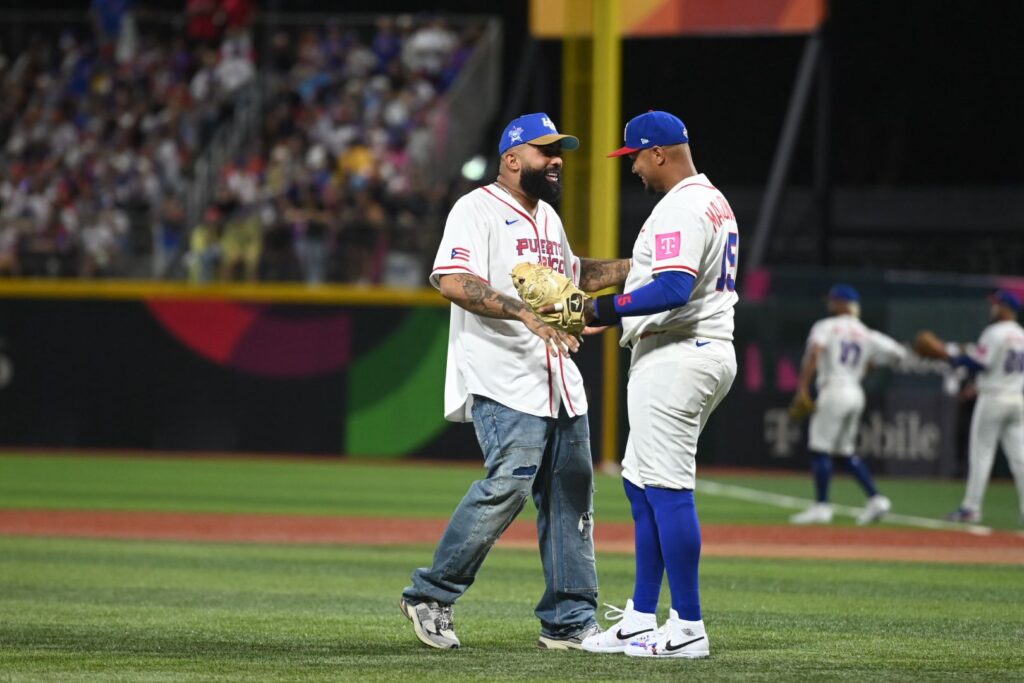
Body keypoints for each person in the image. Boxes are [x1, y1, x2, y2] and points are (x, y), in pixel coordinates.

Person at [399, 113, 631, 651]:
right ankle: (430, 595)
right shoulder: (476, 208)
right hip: (503, 375)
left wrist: (635, 264)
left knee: (572, 497)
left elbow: (573, 277)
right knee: (508, 484)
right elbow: (453, 280)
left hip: (558, 378)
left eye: (559, 151)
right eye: (544, 150)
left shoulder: (547, 217)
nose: (556, 160)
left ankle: (569, 622)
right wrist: (524, 313)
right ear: (511, 158)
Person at [577, 111, 738, 659]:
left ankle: (688, 626)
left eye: (635, 157)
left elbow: (672, 287)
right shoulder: (710, 200)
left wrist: (600, 309)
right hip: (685, 349)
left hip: (680, 354)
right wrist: (612, 314)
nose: (633, 168)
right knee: (641, 485)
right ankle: (641, 617)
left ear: (659, 153)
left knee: (668, 488)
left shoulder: (681, 206)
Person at [788, 285, 906, 526]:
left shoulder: (826, 326)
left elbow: (816, 353)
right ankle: (876, 500)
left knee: (819, 449)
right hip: (855, 391)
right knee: (844, 452)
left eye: (834, 300)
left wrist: (802, 388)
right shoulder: (866, 333)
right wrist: (868, 366)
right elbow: (898, 354)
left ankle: (822, 507)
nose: (830, 303)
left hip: (833, 389)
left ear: (842, 304)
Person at [938, 290, 1024, 524]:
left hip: (993, 398)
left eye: (996, 305)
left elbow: (979, 363)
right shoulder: (1021, 334)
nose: (992, 308)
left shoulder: (994, 332)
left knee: (981, 455)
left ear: (1005, 308)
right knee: (1020, 458)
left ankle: (971, 508)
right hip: (1017, 399)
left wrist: (950, 356)